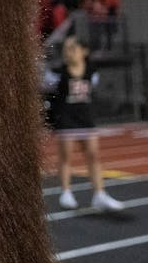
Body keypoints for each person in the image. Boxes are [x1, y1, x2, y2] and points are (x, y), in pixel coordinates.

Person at [45, 36, 123, 211]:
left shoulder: (91, 71)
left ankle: (99, 194)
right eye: (66, 49)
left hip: (85, 118)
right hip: (66, 119)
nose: (69, 52)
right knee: (66, 158)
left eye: (73, 48)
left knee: (93, 156)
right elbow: (48, 89)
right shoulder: (58, 72)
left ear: (83, 51)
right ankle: (66, 192)